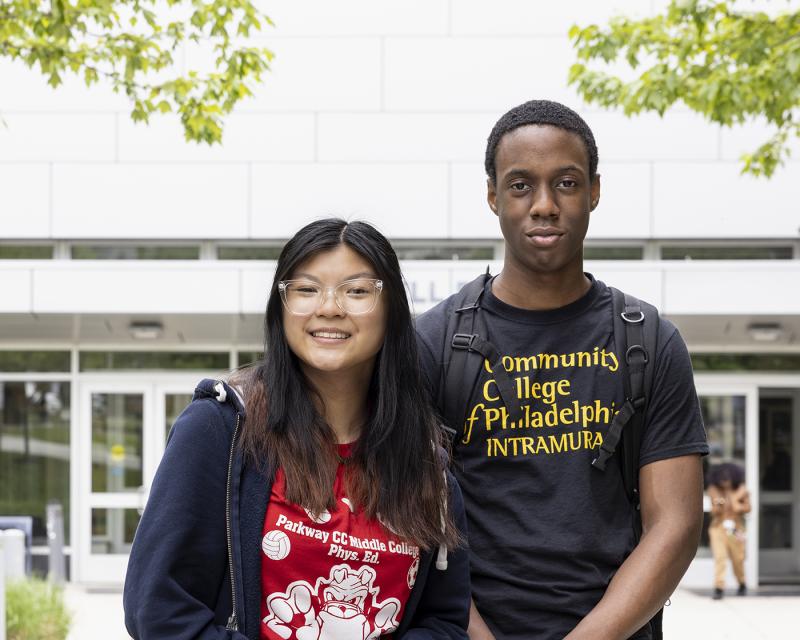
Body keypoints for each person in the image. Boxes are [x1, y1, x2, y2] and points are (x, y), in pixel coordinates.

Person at [415, 100, 709, 640]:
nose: (544, 205)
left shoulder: (649, 341)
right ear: (493, 196)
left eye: (567, 184)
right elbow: (412, 518)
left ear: (595, 190)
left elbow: (676, 524)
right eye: (521, 185)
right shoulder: (432, 343)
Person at [124, 219, 471, 639]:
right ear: (281, 308)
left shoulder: (424, 458)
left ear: (391, 311)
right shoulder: (220, 429)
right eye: (306, 290)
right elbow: (159, 608)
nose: (329, 307)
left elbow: (445, 622)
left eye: (357, 291)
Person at [706, 462, 750, 599]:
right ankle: (719, 587)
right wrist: (719, 504)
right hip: (718, 527)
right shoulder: (714, 490)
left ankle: (742, 583)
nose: (725, 481)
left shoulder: (742, 490)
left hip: (735, 528)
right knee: (720, 557)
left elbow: (746, 508)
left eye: (728, 478)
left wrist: (734, 499)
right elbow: (714, 511)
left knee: (738, 558)